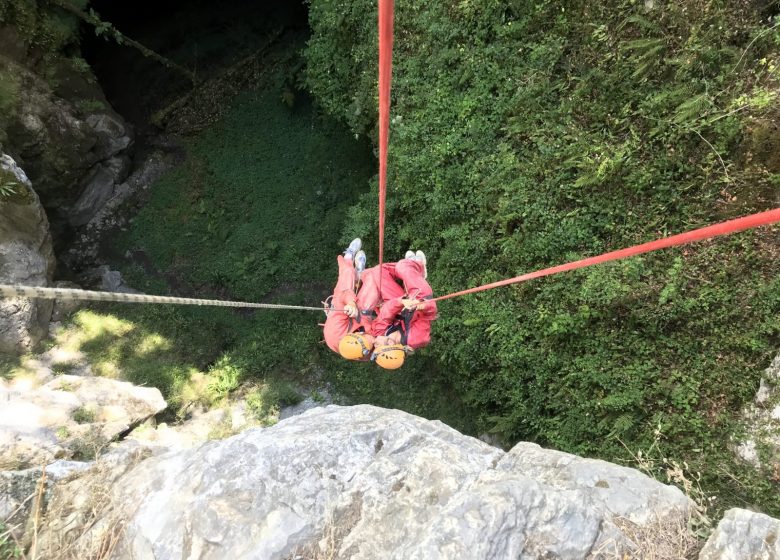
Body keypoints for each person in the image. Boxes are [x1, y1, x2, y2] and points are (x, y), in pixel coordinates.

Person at [323, 240, 437, 370]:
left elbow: (344, 295)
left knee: (366, 273)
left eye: (373, 344)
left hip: (354, 313)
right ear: (389, 343)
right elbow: (429, 314)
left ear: (357, 335)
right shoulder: (415, 338)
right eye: (376, 345)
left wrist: (350, 303)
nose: (375, 340)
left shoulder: (357, 338)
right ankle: (415, 267)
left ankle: (356, 266)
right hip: (418, 300)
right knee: (376, 275)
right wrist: (422, 306)